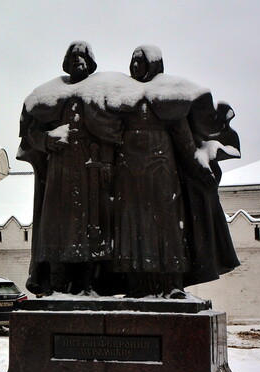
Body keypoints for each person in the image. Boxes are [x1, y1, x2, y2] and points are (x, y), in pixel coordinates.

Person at [110, 45, 240, 297]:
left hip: (161, 173)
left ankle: (171, 283)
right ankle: (136, 283)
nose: (137, 67)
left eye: (142, 62)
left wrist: (198, 167)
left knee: (167, 226)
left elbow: (183, 140)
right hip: (128, 175)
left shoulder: (169, 98)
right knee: (131, 226)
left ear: (155, 65)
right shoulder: (122, 97)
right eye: (134, 62)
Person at [18, 41, 122, 295]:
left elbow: (112, 132)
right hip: (59, 171)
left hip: (90, 171)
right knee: (57, 226)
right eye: (73, 57)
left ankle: (88, 283)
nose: (78, 61)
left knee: (91, 227)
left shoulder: (100, 92)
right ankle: (56, 283)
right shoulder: (49, 94)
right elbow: (31, 131)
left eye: (82, 57)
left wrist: (107, 163)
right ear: (66, 63)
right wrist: (47, 140)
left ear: (91, 63)